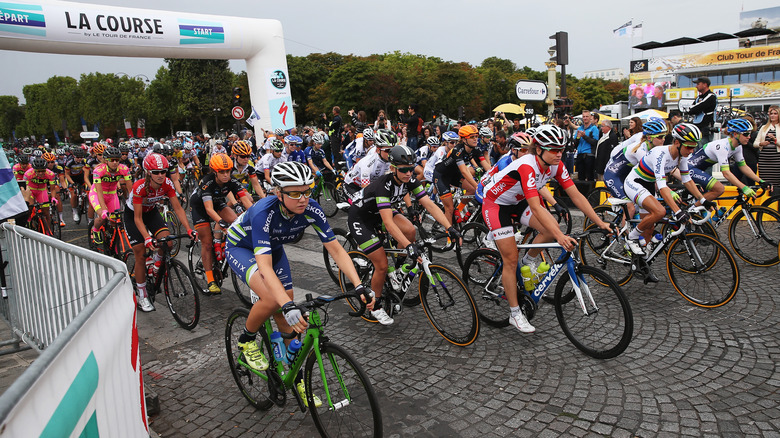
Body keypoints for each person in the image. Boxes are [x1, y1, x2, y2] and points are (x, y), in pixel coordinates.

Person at [227, 161, 375, 406]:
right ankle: (246, 340)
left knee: (288, 319)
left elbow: (336, 249)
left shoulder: (311, 208)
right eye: (295, 193)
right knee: (275, 300)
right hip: (241, 247)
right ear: (278, 192)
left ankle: (294, 377)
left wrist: (358, 285)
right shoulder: (264, 211)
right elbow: (263, 267)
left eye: (308, 190)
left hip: (272, 248)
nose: (303, 198)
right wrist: (286, 303)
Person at [480, 125, 612, 333]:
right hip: (496, 205)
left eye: (561, 149)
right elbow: (536, 206)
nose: (559, 154)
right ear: (538, 149)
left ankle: (528, 260)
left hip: (518, 201)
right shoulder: (527, 166)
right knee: (511, 258)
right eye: (553, 149)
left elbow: (576, 195)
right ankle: (515, 313)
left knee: (551, 228)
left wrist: (599, 222)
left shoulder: (556, 165)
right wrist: (561, 237)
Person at [347, 146, 460, 325]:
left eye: (411, 168)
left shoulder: (409, 181)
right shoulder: (384, 185)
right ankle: (375, 307)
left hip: (380, 213)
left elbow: (430, 205)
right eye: (404, 169)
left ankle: (398, 271)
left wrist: (450, 228)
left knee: (410, 230)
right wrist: (408, 246)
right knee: (382, 265)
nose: (409, 173)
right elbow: (389, 223)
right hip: (362, 219)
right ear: (393, 168)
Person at [623, 123, 713, 256]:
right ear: (677, 142)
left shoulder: (681, 156)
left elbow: (687, 180)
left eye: (694, 147)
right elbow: (662, 185)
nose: (691, 151)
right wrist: (677, 212)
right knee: (660, 211)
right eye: (689, 147)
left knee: (649, 228)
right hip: (634, 183)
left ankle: (643, 260)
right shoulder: (660, 154)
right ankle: (631, 238)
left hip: (647, 185)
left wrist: (703, 199)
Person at [125, 153, 197, 312]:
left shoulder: (168, 184)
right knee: (140, 252)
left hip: (151, 213)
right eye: (156, 172)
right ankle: (143, 295)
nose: (160, 175)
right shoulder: (139, 186)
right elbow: (137, 218)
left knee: (168, 243)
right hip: (133, 216)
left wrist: (189, 229)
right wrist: (147, 238)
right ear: (148, 172)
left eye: (163, 171)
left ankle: (156, 266)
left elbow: (178, 208)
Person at [190, 153, 254, 295]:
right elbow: (209, 209)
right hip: (200, 207)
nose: (226, 175)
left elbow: (246, 201)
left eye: (228, 171)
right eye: (222, 172)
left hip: (217, 202)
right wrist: (220, 222)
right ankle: (210, 280)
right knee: (206, 243)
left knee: (236, 222)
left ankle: (221, 246)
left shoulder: (231, 181)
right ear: (214, 171)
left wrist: (255, 216)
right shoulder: (207, 182)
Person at [688, 118, 768, 203]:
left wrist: (761, 181)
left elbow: (743, 166)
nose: (749, 137)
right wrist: (744, 187)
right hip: (691, 169)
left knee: (710, 209)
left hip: (700, 170)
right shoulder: (723, 146)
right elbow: (726, 173)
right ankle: (693, 209)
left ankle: (697, 211)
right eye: (746, 134)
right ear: (735, 134)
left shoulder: (737, 147)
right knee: (719, 189)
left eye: (750, 134)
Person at [432, 125, 487, 227]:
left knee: (472, 190)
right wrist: (478, 186)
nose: (475, 139)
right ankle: (450, 237)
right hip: (441, 176)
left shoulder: (475, 149)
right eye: (472, 137)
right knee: (449, 209)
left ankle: (459, 209)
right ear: (464, 139)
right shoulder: (458, 150)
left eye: (476, 136)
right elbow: (465, 172)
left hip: (454, 175)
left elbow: (488, 167)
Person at [88, 147, 132, 246]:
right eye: (112, 160)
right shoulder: (98, 170)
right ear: (106, 160)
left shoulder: (124, 169)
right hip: (97, 194)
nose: (115, 162)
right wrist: (103, 209)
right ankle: (95, 230)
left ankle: (112, 242)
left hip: (112, 195)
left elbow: (131, 189)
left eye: (117, 160)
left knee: (115, 221)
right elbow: (99, 192)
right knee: (103, 216)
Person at [23, 157, 59, 235]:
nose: (40, 173)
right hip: (30, 190)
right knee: (30, 206)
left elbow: (52, 189)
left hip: (42, 191)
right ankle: (28, 220)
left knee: (46, 212)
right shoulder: (28, 174)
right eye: (38, 171)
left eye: (43, 171)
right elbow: (25, 188)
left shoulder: (50, 174)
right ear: (34, 170)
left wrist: (53, 197)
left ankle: (48, 232)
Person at [754, 105, 780, 196]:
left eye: (775, 114)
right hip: (764, 160)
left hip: (777, 160)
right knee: (765, 183)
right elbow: (755, 143)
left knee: (776, 184)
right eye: (771, 114)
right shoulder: (764, 127)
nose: (772, 116)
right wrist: (762, 144)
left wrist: (775, 140)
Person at [688, 77, 717, 143]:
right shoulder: (699, 97)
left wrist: (694, 109)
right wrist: (693, 109)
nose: (696, 86)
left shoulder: (711, 96)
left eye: (698, 84)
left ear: (705, 84)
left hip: (706, 128)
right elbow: (690, 110)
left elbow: (698, 107)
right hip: (697, 128)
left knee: (704, 149)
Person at [574, 110, 599, 181]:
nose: (585, 118)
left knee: (590, 176)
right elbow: (575, 144)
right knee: (580, 176)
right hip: (580, 154)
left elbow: (594, 142)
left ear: (590, 117)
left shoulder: (594, 128)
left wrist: (584, 136)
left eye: (587, 116)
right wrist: (578, 138)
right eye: (583, 116)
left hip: (589, 154)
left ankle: (591, 191)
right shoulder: (579, 128)